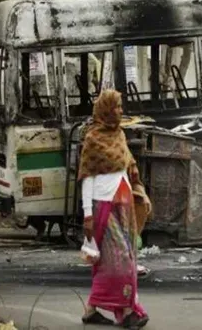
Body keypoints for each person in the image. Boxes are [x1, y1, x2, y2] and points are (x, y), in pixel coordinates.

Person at [78, 89, 152, 329]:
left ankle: (91, 309)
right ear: (107, 110)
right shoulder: (93, 138)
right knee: (122, 260)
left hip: (124, 206)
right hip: (104, 207)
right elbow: (87, 177)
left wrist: (139, 192)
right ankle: (129, 312)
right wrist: (87, 214)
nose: (121, 111)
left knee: (116, 260)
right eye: (117, 107)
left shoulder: (119, 134)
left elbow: (128, 168)